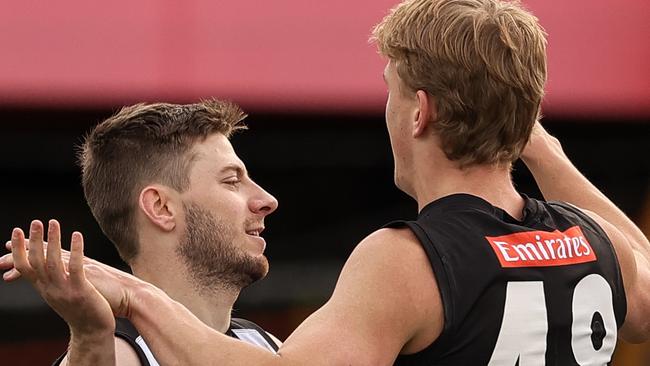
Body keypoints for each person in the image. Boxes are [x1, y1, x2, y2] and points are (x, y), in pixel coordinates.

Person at [3, 0, 650, 364]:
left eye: (392, 93)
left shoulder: (408, 262)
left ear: (419, 111)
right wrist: (537, 142)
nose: (266, 199)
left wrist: (132, 297)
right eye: (234, 179)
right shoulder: (595, 241)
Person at [2, 100, 281, 365]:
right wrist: (90, 337)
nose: (267, 200)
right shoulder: (119, 354)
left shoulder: (264, 345)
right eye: (232, 181)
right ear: (161, 207)